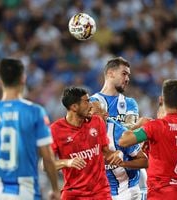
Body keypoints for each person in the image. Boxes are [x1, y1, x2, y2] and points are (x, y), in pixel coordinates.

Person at [118, 79, 177, 200]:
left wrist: (138, 124)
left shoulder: (155, 127)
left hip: (160, 193)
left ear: (161, 99)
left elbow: (123, 141)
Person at [0, 58, 60, 199]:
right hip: (26, 188)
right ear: (23, 79)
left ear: (0, 81)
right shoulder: (35, 111)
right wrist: (55, 189)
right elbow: (47, 156)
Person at [50, 87, 124, 199]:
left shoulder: (97, 122)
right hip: (74, 193)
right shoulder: (56, 130)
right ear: (74, 107)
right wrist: (67, 162)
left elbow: (105, 152)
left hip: (100, 192)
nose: (91, 105)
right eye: (86, 102)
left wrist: (116, 154)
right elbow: (45, 165)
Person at [90, 56, 147, 199]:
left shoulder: (130, 103)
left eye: (128, 75)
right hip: (102, 180)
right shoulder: (92, 103)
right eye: (124, 73)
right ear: (110, 73)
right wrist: (139, 125)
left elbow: (129, 138)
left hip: (131, 179)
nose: (127, 78)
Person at [91, 101, 148, 200]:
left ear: (105, 115)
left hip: (127, 190)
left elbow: (144, 161)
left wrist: (123, 164)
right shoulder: (86, 132)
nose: (90, 119)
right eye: (88, 115)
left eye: (95, 115)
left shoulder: (119, 133)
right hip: (103, 191)